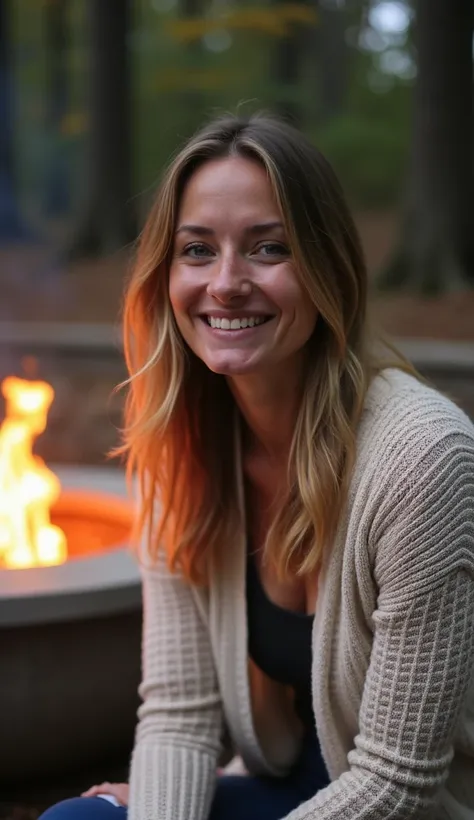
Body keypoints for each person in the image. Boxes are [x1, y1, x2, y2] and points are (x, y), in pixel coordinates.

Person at [40, 114, 474, 820]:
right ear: (167, 272)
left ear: (327, 267)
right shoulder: (176, 448)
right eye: (197, 250)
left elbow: (398, 781)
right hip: (287, 790)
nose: (228, 283)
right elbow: (180, 717)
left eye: (269, 248)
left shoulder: (424, 457)